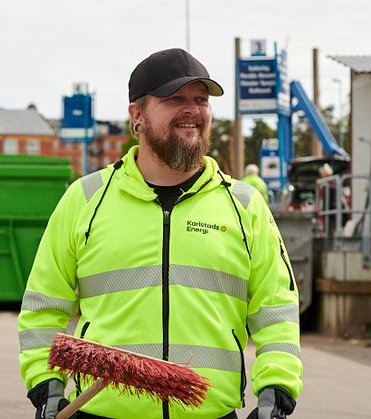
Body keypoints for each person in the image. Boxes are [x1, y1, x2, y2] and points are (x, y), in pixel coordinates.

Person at [18, 48, 302, 419]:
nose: (192, 110)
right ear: (137, 115)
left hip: (210, 414)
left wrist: (275, 392)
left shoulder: (245, 205)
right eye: (174, 99)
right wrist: (47, 386)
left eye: (201, 100)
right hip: (100, 412)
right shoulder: (85, 199)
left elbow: (276, 309)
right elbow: (44, 305)